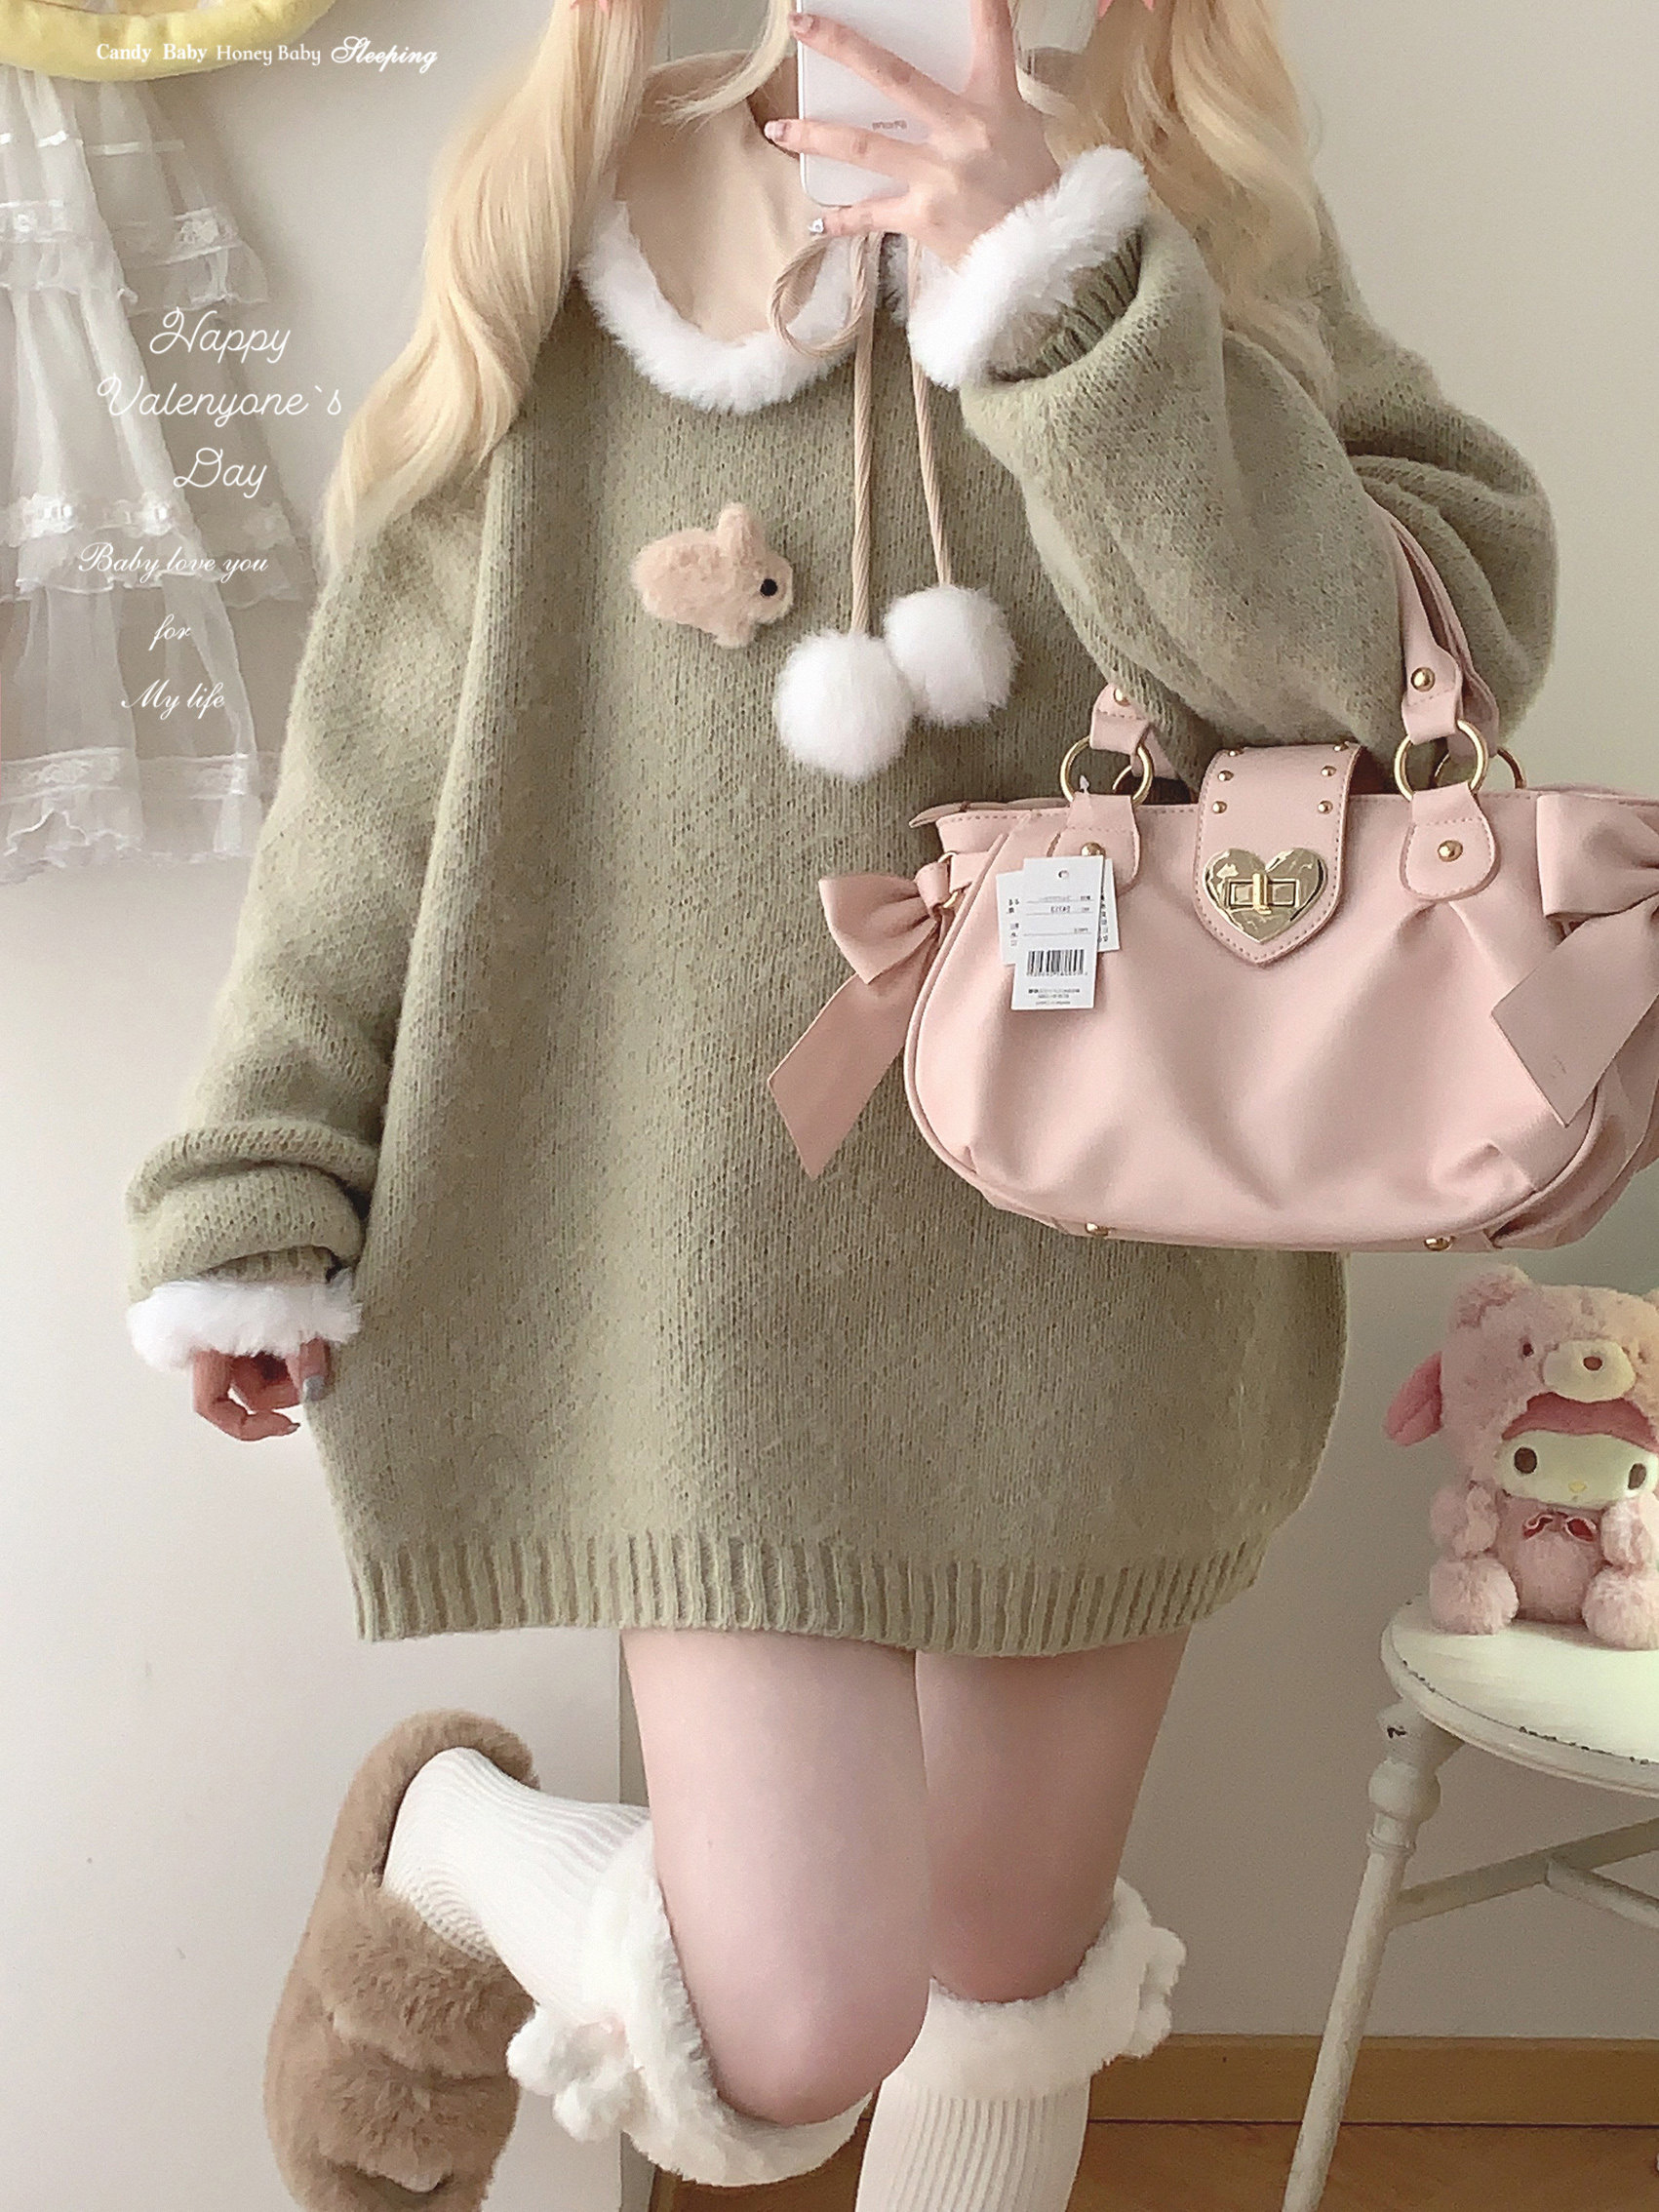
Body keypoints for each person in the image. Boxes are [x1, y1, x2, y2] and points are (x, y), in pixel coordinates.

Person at [121, 0, 1558, 2205]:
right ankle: (438, 1837)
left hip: (1110, 1255)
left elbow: (1389, 686)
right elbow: (386, 767)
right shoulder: (583, 223)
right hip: (703, 1286)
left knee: (1007, 1969)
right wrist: (266, 1159)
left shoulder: (1183, 211)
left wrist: (1057, 292)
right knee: (788, 2021)